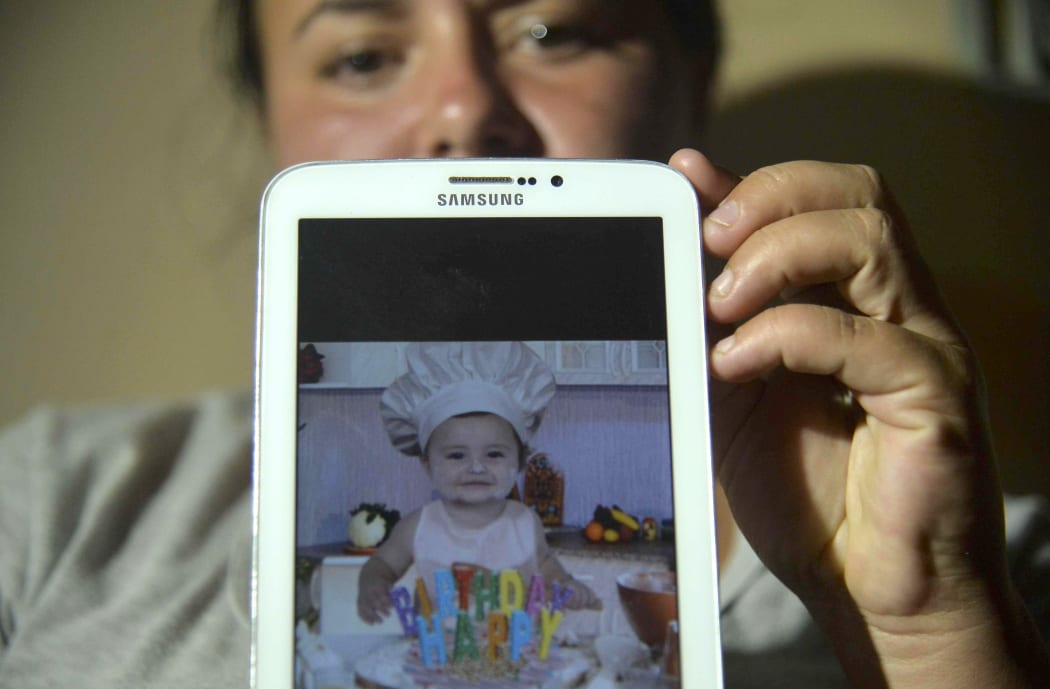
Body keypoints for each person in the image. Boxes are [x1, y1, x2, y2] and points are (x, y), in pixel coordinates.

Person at [0, 1, 1047, 687]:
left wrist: (932, 634)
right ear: (268, 112)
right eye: (362, 55)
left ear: (695, 76)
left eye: (553, 30)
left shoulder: (989, 575)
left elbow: (558, 582)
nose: (465, 111)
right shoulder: (50, 499)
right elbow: (392, 566)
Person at [355, 342, 599, 625]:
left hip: (514, 659)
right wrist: (372, 585)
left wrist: (566, 584)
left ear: (520, 461)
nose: (476, 467)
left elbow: (545, 567)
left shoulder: (524, 522)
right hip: (435, 660)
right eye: (457, 455)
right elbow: (381, 564)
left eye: (494, 454)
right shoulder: (418, 526)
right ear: (426, 464)